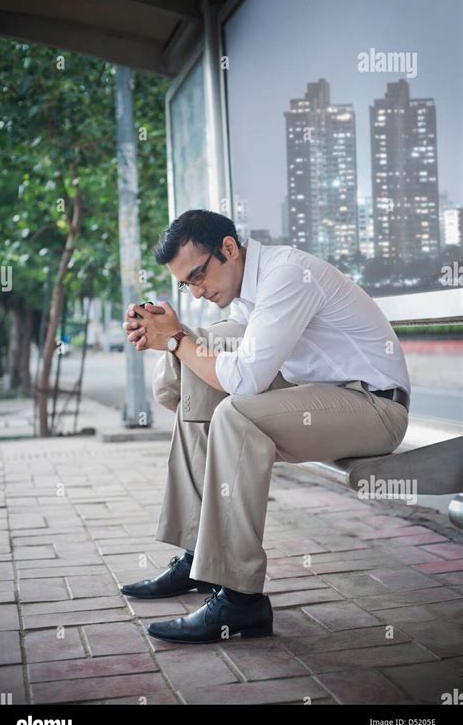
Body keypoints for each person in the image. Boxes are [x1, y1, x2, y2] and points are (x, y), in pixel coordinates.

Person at [120, 209, 410, 644]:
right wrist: (164, 336)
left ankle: (241, 601)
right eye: (186, 284)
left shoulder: (286, 276)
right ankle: (201, 553)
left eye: (198, 276)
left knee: (234, 413)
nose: (196, 292)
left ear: (229, 249)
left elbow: (247, 381)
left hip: (373, 407)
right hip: (321, 393)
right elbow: (193, 373)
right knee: (204, 361)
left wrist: (178, 341)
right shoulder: (245, 292)